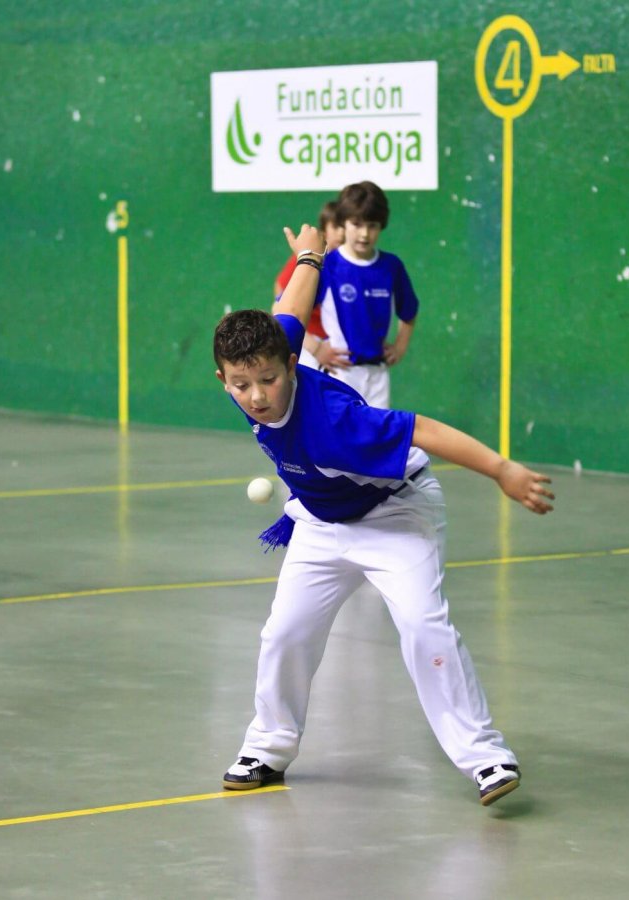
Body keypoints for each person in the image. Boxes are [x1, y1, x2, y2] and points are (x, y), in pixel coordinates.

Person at [213, 223, 554, 806]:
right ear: (223, 378)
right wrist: (310, 255)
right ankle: (268, 746)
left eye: (268, 380)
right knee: (285, 632)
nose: (258, 396)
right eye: (242, 385)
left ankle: (486, 756)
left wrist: (500, 469)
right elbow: (290, 306)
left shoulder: (338, 423)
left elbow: (426, 430)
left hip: (393, 514)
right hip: (321, 521)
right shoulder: (265, 356)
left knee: (424, 626)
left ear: (290, 367)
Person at [316, 181, 419, 408]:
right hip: (339, 373)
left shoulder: (391, 266)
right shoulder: (327, 265)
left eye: (372, 225)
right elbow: (285, 311)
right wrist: (315, 349)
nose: (364, 234)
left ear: (381, 226)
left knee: (377, 441)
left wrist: (400, 346)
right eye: (356, 224)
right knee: (339, 442)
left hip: (378, 376)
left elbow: (409, 311)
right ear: (343, 222)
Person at [273, 200, 347, 372]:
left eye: (346, 227)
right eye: (336, 227)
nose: (342, 234)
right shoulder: (310, 257)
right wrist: (314, 347)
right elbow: (280, 302)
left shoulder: (355, 266)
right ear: (324, 230)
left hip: (339, 349)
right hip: (311, 345)